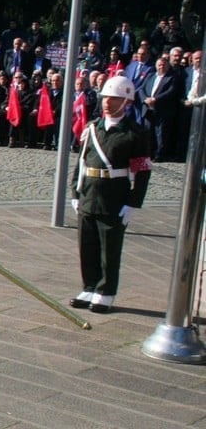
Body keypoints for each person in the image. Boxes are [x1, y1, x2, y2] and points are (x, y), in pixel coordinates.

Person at [69, 76, 151, 314]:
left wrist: (133, 202)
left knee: (109, 249)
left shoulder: (135, 134)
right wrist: (75, 190)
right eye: (106, 97)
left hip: (114, 197)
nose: (107, 102)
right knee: (87, 245)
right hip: (89, 194)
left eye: (114, 98)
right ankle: (90, 285)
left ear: (126, 101)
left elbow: (142, 171)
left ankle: (106, 291)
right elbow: (82, 162)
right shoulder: (94, 128)